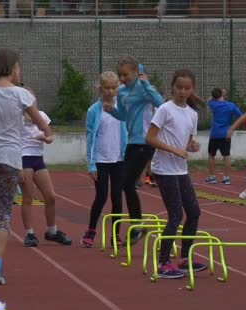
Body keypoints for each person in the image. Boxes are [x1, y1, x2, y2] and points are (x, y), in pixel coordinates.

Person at [0, 49, 52, 285]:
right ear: (11, 68)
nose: (20, 71)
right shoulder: (21, 95)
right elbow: (41, 124)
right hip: (8, 159)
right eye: (19, 67)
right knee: (3, 214)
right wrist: (47, 135)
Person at [145, 69, 207, 279]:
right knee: (175, 215)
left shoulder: (192, 114)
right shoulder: (164, 109)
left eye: (186, 88)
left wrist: (192, 146)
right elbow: (150, 138)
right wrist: (173, 150)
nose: (182, 91)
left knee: (194, 212)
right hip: (164, 170)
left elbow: (187, 142)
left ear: (192, 89)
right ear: (172, 86)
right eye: (179, 87)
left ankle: (185, 258)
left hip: (180, 169)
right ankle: (163, 263)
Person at [103, 55, 164, 244]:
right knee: (126, 184)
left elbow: (160, 103)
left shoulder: (144, 88)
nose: (122, 79)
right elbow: (123, 114)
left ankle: (137, 225)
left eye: (126, 75)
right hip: (132, 142)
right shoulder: (121, 92)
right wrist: (111, 110)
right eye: (120, 75)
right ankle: (137, 225)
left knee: (126, 182)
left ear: (136, 72)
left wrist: (146, 84)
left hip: (145, 142)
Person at [20, 87, 71, 248]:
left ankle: (52, 231)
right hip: (23, 158)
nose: (30, 103)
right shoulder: (16, 118)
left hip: (38, 158)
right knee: (28, 197)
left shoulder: (41, 115)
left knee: (50, 196)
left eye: (32, 99)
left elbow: (50, 135)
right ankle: (29, 233)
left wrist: (47, 138)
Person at [81, 72, 128, 248]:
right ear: (100, 88)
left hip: (119, 159)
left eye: (113, 88)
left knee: (117, 197)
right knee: (101, 196)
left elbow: (127, 131)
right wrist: (91, 163)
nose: (110, 91)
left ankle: (115, 235)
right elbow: (90, 137)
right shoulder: (94, 110)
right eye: (107, 88)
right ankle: (91, 230)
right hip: (100, 160)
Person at [205, 87, 242, 185]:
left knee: (211, 155)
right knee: (226, 155)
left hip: (215, 134)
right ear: (222, 95)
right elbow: (241, 116)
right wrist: (233, 127)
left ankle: (212, 176)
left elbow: (208, 100)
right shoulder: (231, 106)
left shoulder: (213, 104)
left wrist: (218, 94)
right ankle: (226, 177)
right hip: (226, 133)